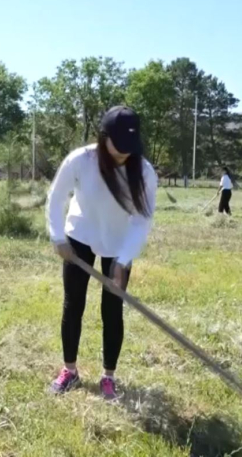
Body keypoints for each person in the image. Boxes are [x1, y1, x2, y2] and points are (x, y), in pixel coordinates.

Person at [46, 105, 157, 399]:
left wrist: (122, 261)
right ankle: (69, 371)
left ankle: (108, 377)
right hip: (79, 236)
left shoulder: (144, 171)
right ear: (103, 137)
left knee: (112, 309)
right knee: (74, 304)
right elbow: (56, 199)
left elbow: (141, 221)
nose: (123, 154)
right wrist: (58, 238)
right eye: (117, 146)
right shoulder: (81, 160)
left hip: (120, 244)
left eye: (128, 148)